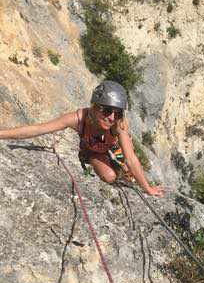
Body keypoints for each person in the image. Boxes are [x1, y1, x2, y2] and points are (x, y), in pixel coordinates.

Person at [0, 80, 164, 197]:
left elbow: (132, 158)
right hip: (92, 150)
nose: (112, 117)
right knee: (109, 176)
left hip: (111, 147)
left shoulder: (119, 125)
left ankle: (116, 165)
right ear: (95, 107)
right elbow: (37, 129)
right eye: (107, 110)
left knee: (126, 173)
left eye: (118, 113)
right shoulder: (78, 119)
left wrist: (148, 188)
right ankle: (90, 157)